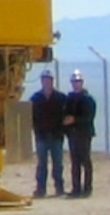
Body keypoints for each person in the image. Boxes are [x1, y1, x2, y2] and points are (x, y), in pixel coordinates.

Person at [30, 67, 68, 197]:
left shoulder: (61, 98)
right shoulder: (35, 98)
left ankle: (59, 188)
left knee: (58, 164)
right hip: (41, 136)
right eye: (45, 80)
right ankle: (41, 189)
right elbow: (30, 117)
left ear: (52, 81)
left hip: (57, 136)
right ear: (41, 81)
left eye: (49, 80)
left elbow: (66, 115)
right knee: (42, 164)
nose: (47, 82)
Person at [64, 71, 98, 197]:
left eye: (78, 82)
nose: (75, 84)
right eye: (74, 82)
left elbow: (89, 117)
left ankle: (87, 188)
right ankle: (76, 188)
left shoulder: (88, 99)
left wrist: (74, 119)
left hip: (84, 134)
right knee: (75, 162)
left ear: (82, 83)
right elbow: (65, 114)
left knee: (85, 161)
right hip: (73, 134)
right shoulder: (70, 99)